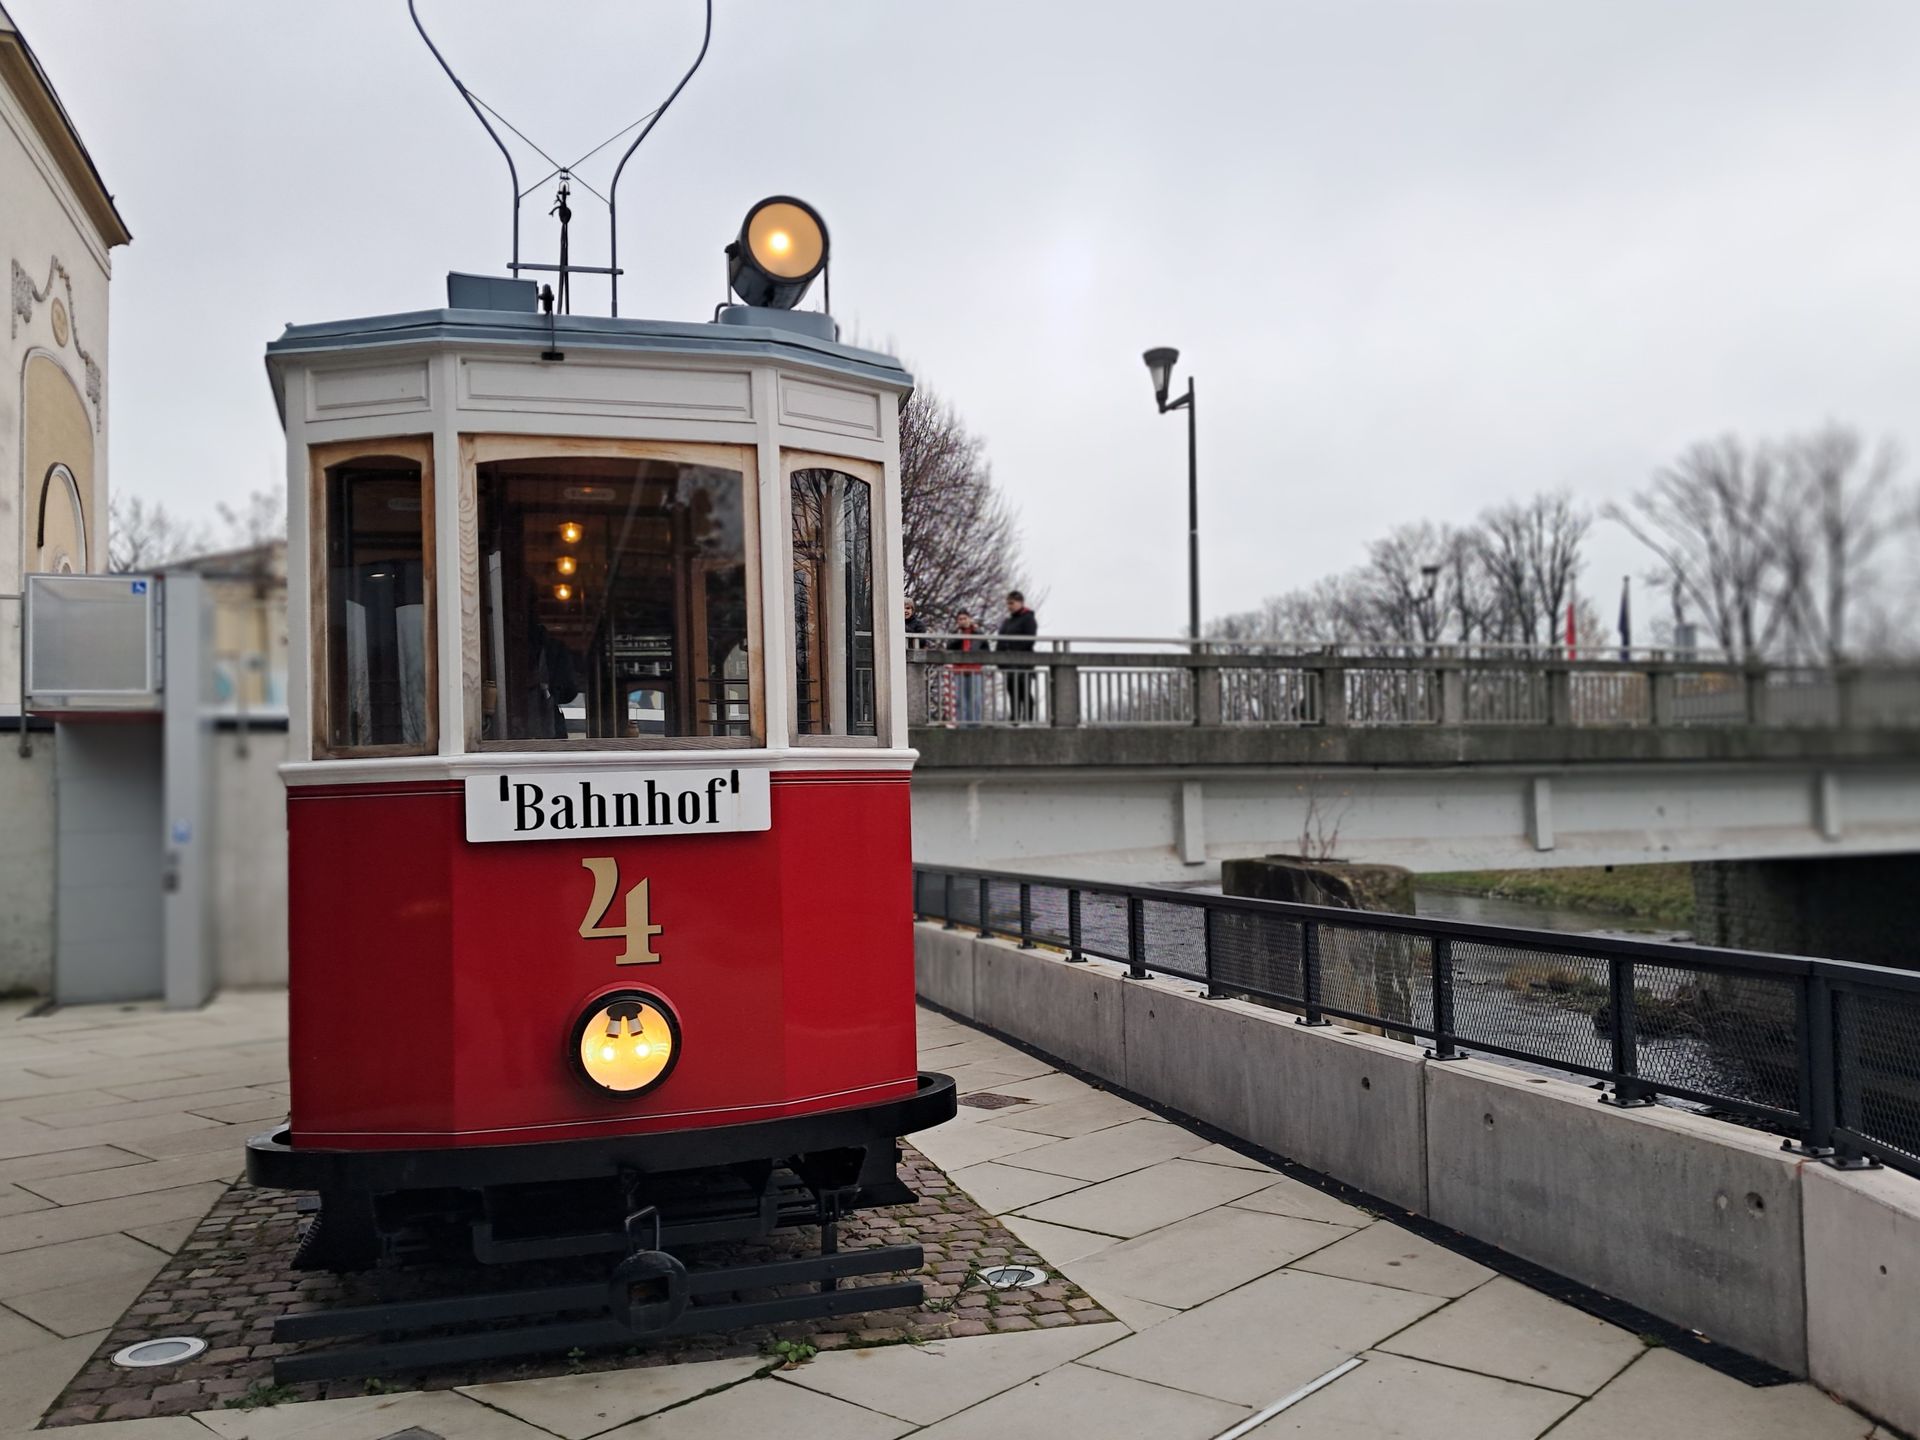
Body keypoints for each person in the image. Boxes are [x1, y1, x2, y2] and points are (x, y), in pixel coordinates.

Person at [996, 590, 1039, 722]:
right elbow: (1000, 640)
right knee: (1012, 693)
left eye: (1012, 603)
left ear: (1020, 602)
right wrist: (1000, 660)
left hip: (1023, 664)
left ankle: (1027, 719)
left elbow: (1029, 640)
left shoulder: (1028, 618)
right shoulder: (1007, 622)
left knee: (1024, 693)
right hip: (1009, 664)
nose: (1009, 606)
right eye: (1008, 603)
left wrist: (1012, 651)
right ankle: (1014, 719)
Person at [950, 611, 984, 725]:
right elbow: (949, 646)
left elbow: (986, 649)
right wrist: (958, 635)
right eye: (960, 619)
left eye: (965, 618)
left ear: (970, 619)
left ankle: (975, 727)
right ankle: (962, 726)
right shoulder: (955, 633)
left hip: (975, 670)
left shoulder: (978, 633)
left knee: (975, 700)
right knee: (960, 700)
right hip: (959, 670)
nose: (963, 621)